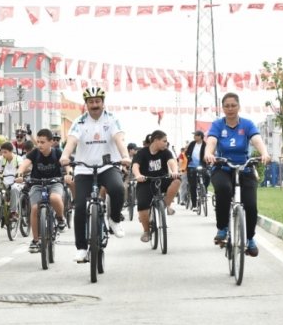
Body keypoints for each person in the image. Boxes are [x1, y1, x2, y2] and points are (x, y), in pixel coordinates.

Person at [60, 87, 132, 263]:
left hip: (107, 166)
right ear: (86, 104)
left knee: (117, 188)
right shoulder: (80, 121)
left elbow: (119, 139)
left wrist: (124, 156)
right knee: (80, 207)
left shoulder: (112, 119)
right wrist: (65, 155)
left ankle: (114, 219)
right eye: (91, 102)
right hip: (84, 169)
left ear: (103, 102)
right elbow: (72, 141)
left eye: (97, 101)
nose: (94, 105)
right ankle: (82, 248)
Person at [204, 92, 271, 257]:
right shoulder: (218, 125)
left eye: (233, 105)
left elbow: (256, 139)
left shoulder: (247, 124)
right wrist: (208, 153)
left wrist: (264, 153)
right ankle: (223, 228)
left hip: (244, 168)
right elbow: (211, 141)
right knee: (223, 190)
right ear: (223, 108)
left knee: (250, 205)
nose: (230, 109)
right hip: (223, 167)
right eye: (227, 106)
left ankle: (250, 239)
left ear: (239, 106)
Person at [15, 128, 67, 253]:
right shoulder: (34, 153)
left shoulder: (57, 153)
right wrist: (19, 174)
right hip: (37, 184)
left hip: (55, 183)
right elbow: (24, 164)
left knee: (54, 198)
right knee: (34, 208)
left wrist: (69, 173)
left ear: (50, 142)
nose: (39, 145)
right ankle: (35, 240)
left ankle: (60, 218)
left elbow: (66, 165)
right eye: (38, 142)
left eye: (42, 142)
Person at [132, 131, 181, 242]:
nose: (166, 143)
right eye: (164, 141)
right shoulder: (142, 153)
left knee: (177, 181)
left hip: (162, 179)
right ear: (156, 140)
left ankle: (166, 205)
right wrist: (138, 175)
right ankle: (146, 231)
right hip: (146, 182)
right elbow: (135, 166)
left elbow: (172, 162)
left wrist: (174, 171)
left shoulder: (166, 152)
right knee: (143, 206)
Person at [185, 130, 210, 209]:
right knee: (193, 185)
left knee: (207, 176)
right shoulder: (192, 144)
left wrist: (207, 160)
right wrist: (189, 157)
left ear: (200, 136)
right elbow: (187, 152)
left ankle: (204, 190)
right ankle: (194, 204)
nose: (194, 137)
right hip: (191, 166)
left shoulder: (205, 145)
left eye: (196, 135)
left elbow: (209, 153)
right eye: (194, 135)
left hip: (202, 165)